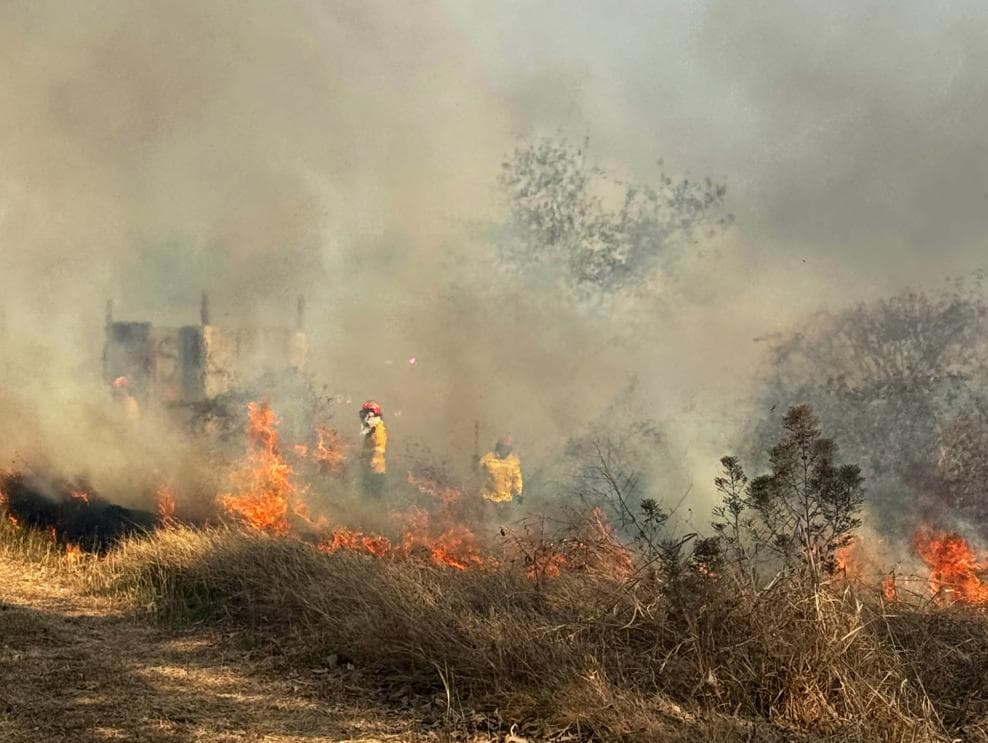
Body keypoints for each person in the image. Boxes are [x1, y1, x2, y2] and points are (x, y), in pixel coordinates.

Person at [478, 436, 523, 520]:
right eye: (502, 447)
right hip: (489, 498)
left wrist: (518, 493)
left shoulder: (513, 461)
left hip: (506, 499)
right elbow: (477, 472)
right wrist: (475, 464)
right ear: (498, 446)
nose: (504, 450)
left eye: (507, 448)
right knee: (488, 521)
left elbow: (517, 478)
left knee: (506, 523)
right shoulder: (487, 458)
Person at [358, 400, 387, 498]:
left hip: (374, 472)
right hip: (370, 471)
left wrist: (366, 462)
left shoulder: (377, 431)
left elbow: (376, 451)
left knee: (371, 498)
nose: (364, 419)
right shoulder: (372, 430)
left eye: (366, 415)